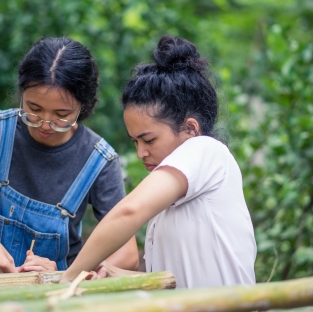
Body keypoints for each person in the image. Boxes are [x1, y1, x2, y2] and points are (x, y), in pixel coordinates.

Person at [0, 37, 139, 274]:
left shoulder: (99, 160)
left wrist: (66, 273)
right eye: (33, 109)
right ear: (21, 93)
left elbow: (127, 254)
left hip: (55, 298)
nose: (45, 124)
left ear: (83, 107)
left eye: (61, 114)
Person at [60, 36, 257, 288]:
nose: (141, 153)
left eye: (149, 140)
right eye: (135, 142)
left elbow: (128, 211)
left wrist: (68, 277)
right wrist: (113, 272)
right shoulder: (171, 201)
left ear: (190, 128)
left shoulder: (205, 149)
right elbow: (177, 282)